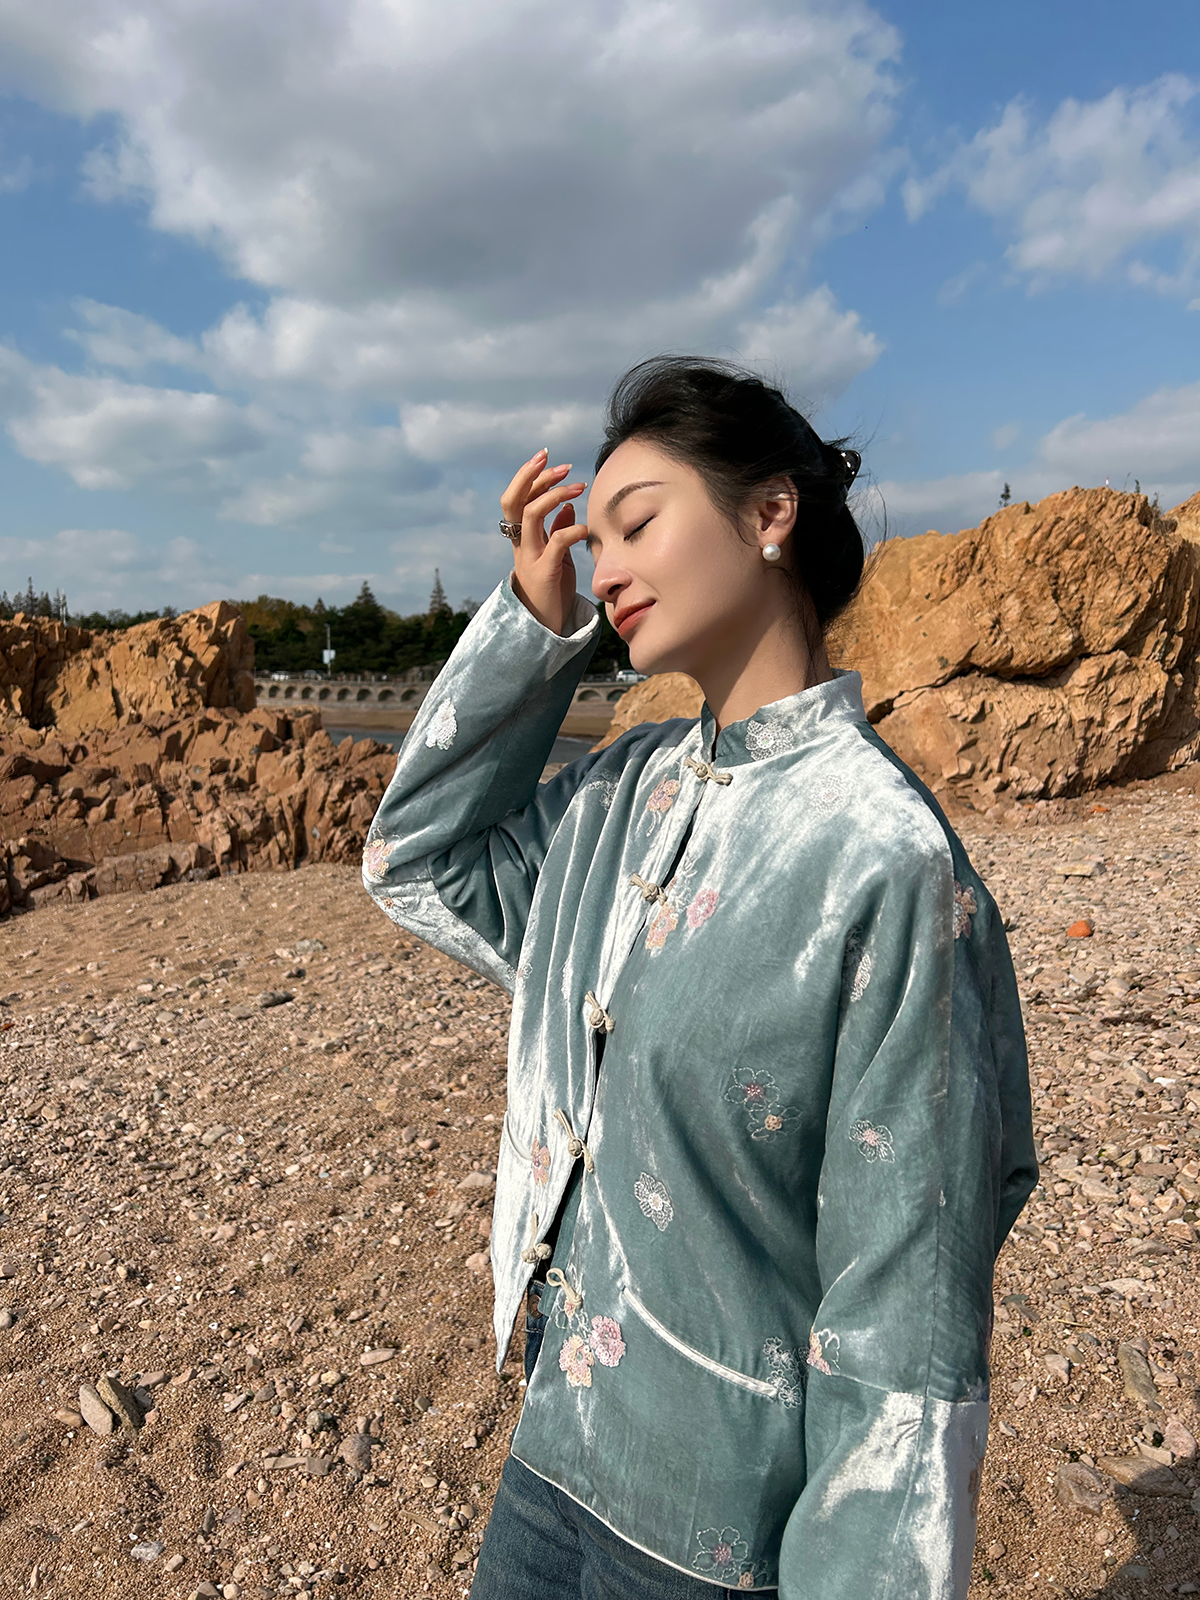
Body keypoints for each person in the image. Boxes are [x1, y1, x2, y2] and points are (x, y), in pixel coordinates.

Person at [362, 357, 1037, 1599]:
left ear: (771, 513)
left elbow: (908, 1324)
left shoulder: (883, 860)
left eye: (637, 522)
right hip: (553, 1443)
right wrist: (531, 631)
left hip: (715, 1528)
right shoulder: (624, 792)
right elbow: (419, 862)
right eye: (594, 541)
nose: (605, 568)